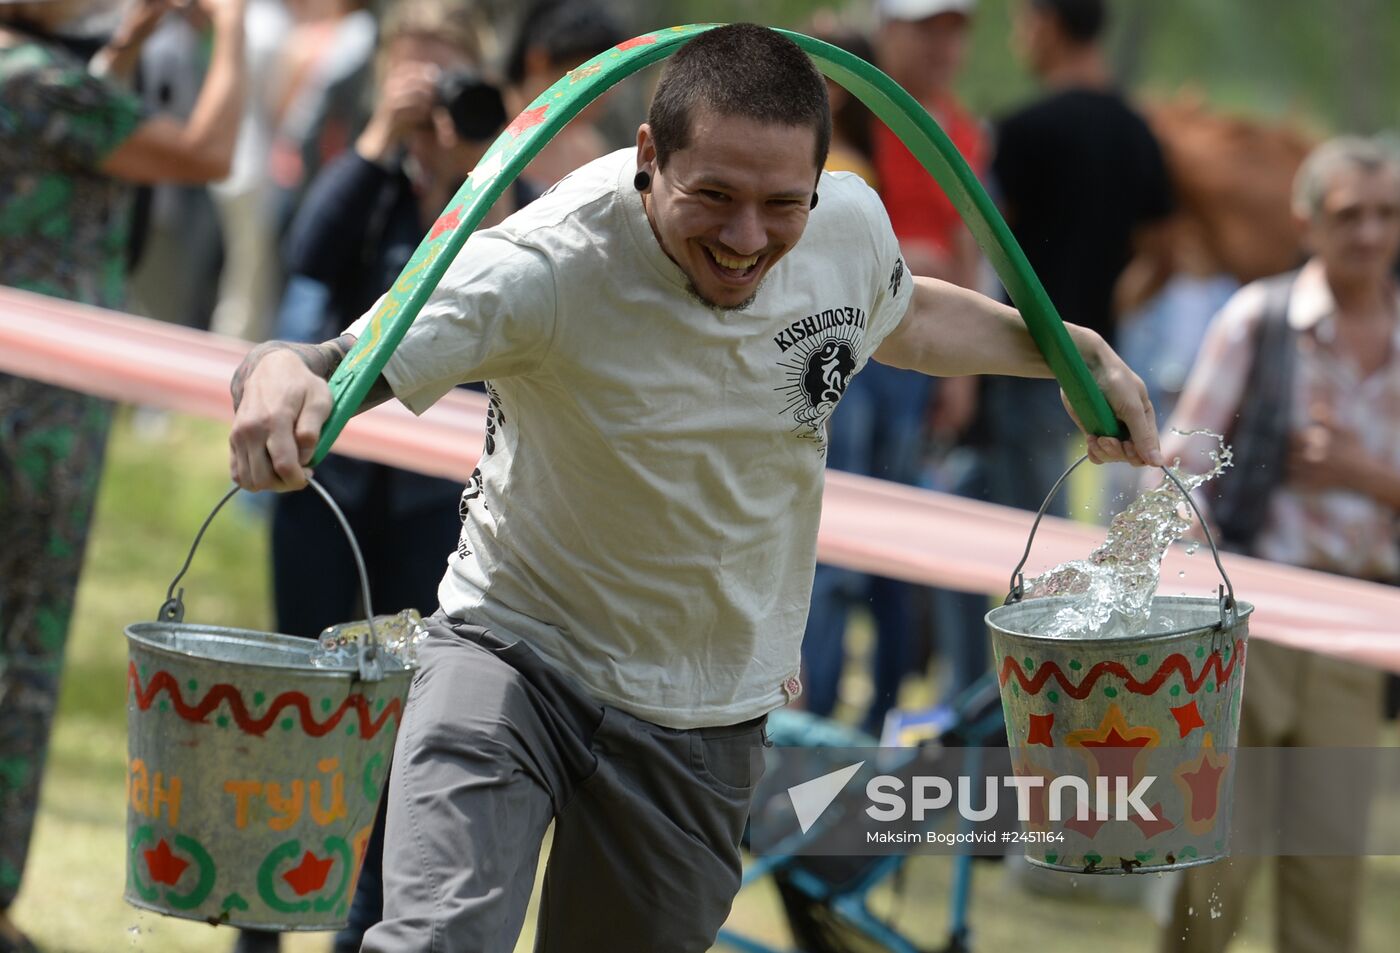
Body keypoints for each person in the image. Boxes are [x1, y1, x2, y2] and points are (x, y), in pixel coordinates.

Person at [226, 24, 1161, 952]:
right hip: (513, 653)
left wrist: (1069, 353)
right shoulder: (546, 262)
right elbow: (339, 358)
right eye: (712, 195)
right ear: (648, 156)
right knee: (437, 937)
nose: (747, 237)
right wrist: (277, 376)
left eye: (780, 204)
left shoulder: (846, 228)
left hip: (702, 713)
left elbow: (905, 318)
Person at [251, 3, 536, 950]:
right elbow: (307, 252)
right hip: (325, 484)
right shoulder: (365, 175)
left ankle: (360, 924)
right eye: (413, 67)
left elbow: (523, 282)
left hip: (439, 501)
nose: (431, 89)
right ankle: (261, 914)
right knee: (304, 702)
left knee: (403, 717)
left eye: (448, 69)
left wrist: (480, 167)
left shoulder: (504, 182)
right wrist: (379, 142)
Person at [0, 3, 246, 951]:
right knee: (23, 652)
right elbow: (207, 153)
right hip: (34, 423)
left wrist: (131, 45)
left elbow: (76, 122)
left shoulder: (36, 77)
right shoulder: (36, 80)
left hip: (41, 409)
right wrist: (231, 34)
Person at [1158, 136, 1400, 953]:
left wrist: (1371, 476)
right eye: (1349, 215)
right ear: (1308, 221)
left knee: (1328, 877)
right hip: (1253, 619)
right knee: (1215, 870)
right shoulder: (1257, 320)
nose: (1369, 233)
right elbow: (1179, 474)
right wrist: (1206, 603)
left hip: (1361, 628)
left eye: (1387, 214)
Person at [503, 0, 622, 188]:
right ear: (539, 61)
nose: (608, 88)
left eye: (613, 74)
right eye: (593, 73)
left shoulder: (587, 151)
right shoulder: (485, 126)